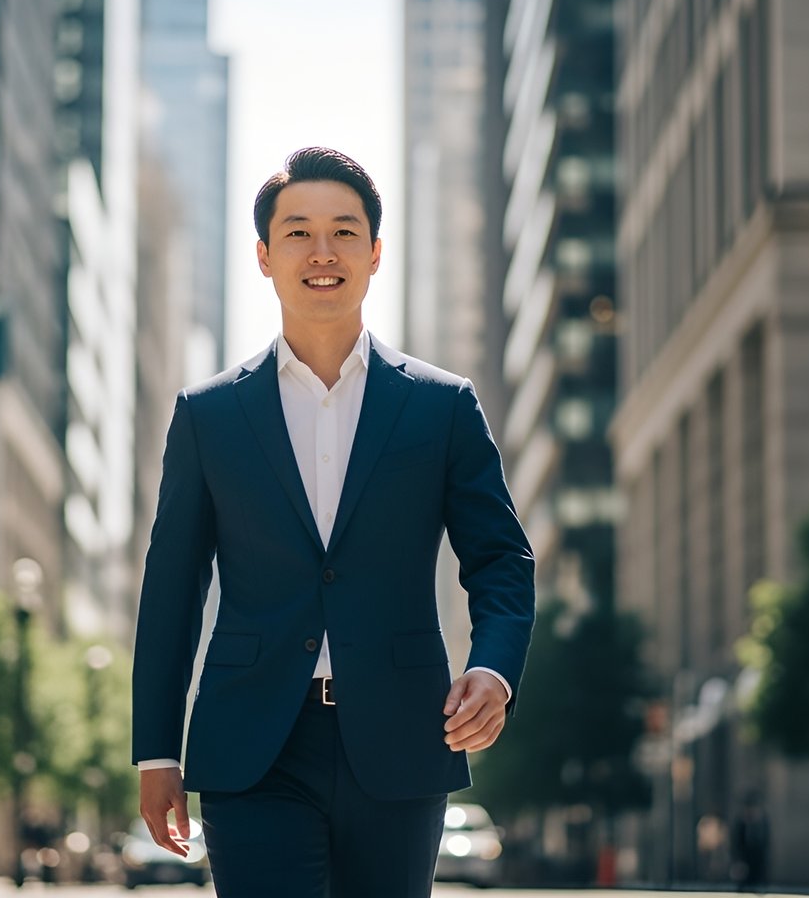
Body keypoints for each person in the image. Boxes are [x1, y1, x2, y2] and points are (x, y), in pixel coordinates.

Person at [131, 147, 536, 897]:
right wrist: (157, 751)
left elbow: (501, 559)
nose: (323, 252)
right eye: (298, 233)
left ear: (376, 254)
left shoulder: (442, 406)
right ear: (264, 256)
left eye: (345, 232)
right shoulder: (207, 416)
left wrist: (494, 669)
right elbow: (172, 588)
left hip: (403, 736)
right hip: (254, 745)